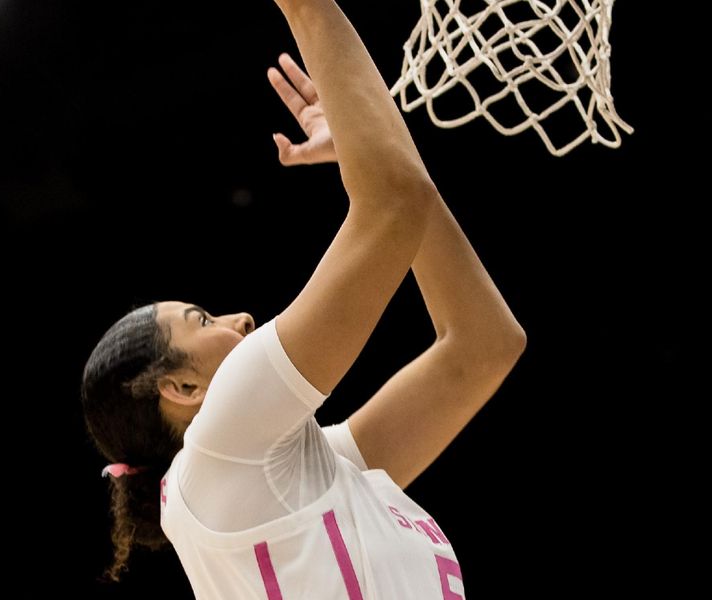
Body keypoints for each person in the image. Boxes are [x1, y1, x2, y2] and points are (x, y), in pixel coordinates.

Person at [81, 0, 526, 597]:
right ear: (181, 388)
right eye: (203, 319)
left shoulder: (286, 467)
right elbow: (396, 202)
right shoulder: (219, 449)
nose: (239, 317)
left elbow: (482, 347)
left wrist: (369, 154)